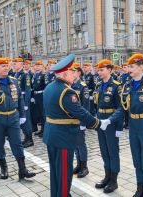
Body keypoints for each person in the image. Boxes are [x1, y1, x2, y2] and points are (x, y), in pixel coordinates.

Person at [43, 54, 109, 197]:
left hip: (51, 135)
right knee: (65, 172)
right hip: (63, 137)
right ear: (65, 73)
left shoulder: (49, 87)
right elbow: (80, 113)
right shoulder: (67, 91)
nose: (75, 76)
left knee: (55, 170)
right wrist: (98, 123)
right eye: (73, 72)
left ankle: (57, 193)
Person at [105, 54, 143, 197]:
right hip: (133, 125)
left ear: (141, 67)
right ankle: (139, 187)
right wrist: (109, 120)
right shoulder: (127, 85)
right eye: (128, 66)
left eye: (132, 66)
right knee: (137, 159)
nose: (128, 69)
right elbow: (122, 108)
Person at [0, 58, 36, 180]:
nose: (6, 68)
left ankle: (23, 169)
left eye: (6, 65)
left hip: (13, 117)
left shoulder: (14, 81)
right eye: (2, 66)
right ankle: (3, 168)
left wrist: (22, 115)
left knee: (17, 143)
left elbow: (20, 99)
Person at [93, 59, 123, 193]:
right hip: (100, 122)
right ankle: (107, 176)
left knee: (113, 152)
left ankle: (114, 180)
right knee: (104, 150)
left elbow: (121, 108)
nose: (99, 72)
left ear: (110, 70)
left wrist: (119, 128)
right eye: (98, 70)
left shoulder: (117, 86)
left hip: (111, 123)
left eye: (102, 69)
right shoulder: (99, 85)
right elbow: (96, 105)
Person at [71, 62, 90, 178]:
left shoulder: (83, 87)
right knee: (74, 143)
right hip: (71, 120)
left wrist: (83, 122)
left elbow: (85, 107)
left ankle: (84, 166)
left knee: (81, 144)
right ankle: (78, 164)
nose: (71, 73)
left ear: (78, 73)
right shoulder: (70, 85)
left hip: (79, 120)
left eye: (73, 71)